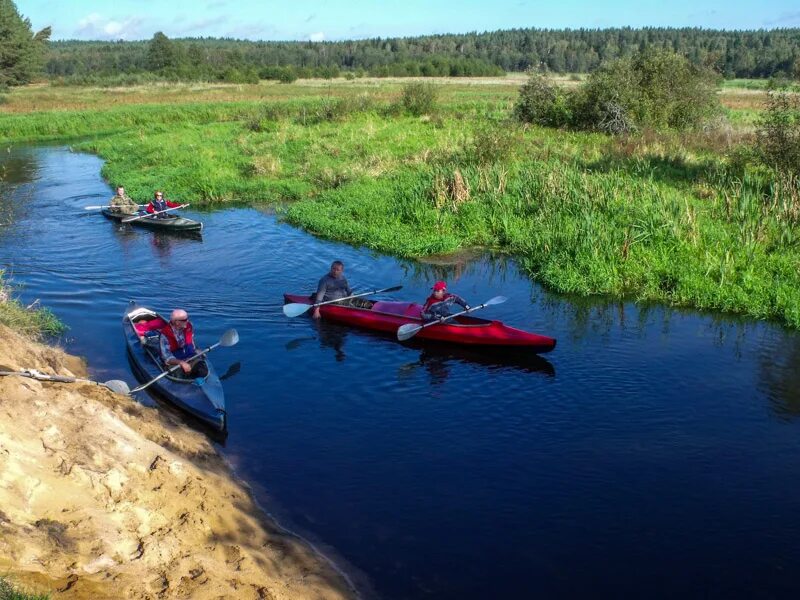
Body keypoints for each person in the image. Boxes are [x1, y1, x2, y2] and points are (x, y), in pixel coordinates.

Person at [159, 309, 208, 379]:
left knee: (202, 371)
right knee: (179, 376)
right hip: (175, 361)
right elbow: (167, 357)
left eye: (187, 318)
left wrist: (196, 350)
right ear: (177, 322)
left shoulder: (188, 326)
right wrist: (181, 363)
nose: (187, 321)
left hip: (190, 357)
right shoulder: (165, 335)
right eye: (185, 320)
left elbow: (191, 341)